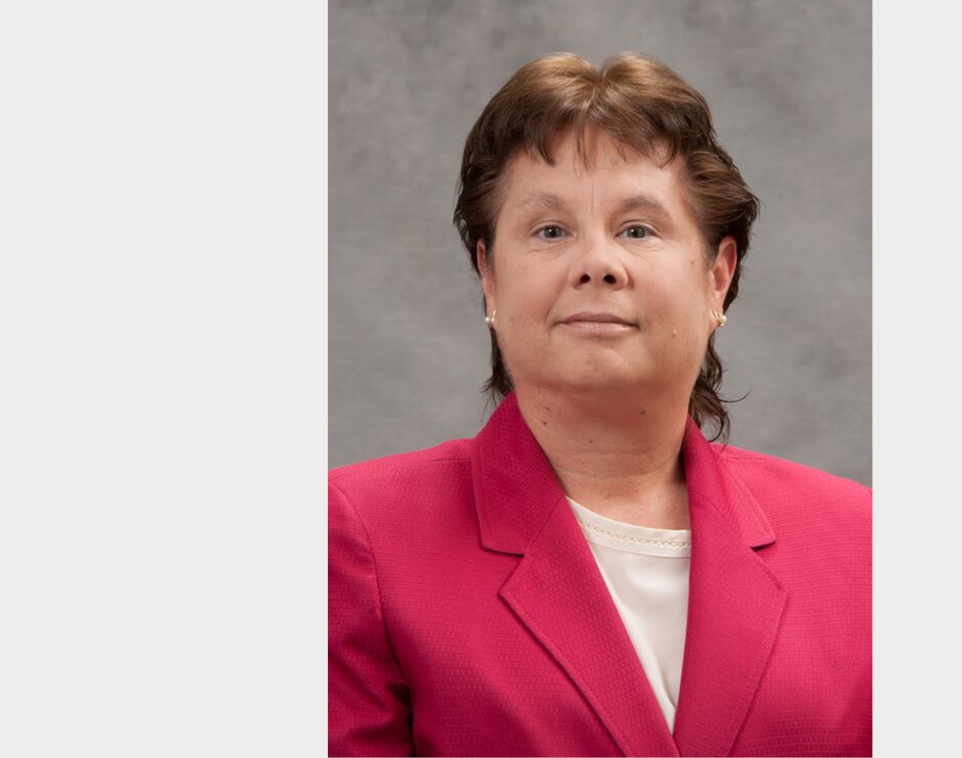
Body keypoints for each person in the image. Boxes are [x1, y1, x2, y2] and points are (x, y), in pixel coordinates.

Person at [329, 52, 871, 757]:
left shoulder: (865, 547)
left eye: (638, 229)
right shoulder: (357, 537)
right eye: (550, 231)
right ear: (490, 277)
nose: (598, 263)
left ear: (717, 275)